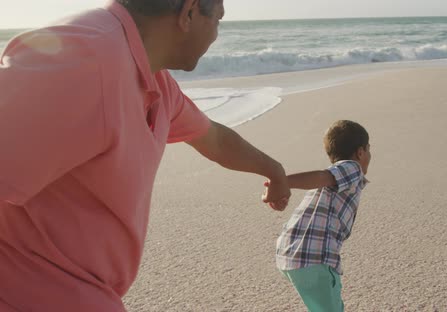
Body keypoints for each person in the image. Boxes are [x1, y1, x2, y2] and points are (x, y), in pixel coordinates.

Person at [0, 0, 290, 311]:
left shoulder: (155, 80)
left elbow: (215, 140)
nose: (217, 35)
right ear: (189, 12)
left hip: (89, 292)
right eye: (218, 20)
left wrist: (272, 170)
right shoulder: (83, 57)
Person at [273, 120, 371, 312]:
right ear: (360, 152)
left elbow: (321, 177)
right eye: (369, 149)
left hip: (290, 253)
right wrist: (280, 183)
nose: (369, 155)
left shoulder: (332, 182)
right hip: (314, 257)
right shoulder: (352, 168)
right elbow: (322, 175)